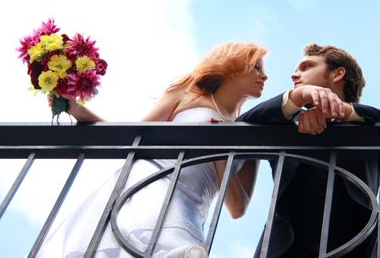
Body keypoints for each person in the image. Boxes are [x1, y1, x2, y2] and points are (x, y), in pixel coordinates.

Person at [37, 42, 268, 258]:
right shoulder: (187, 95)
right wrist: (77, 110)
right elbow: (134, 137)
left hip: (192, 208)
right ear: (233, 66)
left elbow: (237, 208)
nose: (264, 75)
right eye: (256, 67)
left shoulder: (249, 132)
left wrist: (220, 149)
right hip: (150, 184)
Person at [238, 44, 380, 258]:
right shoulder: (285, 125)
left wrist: (342, 112)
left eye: (306, 67)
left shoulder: (371, 126)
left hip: (352, 250)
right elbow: (238, 130)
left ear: (338, 73)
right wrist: (298, 96)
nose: (294, 74)